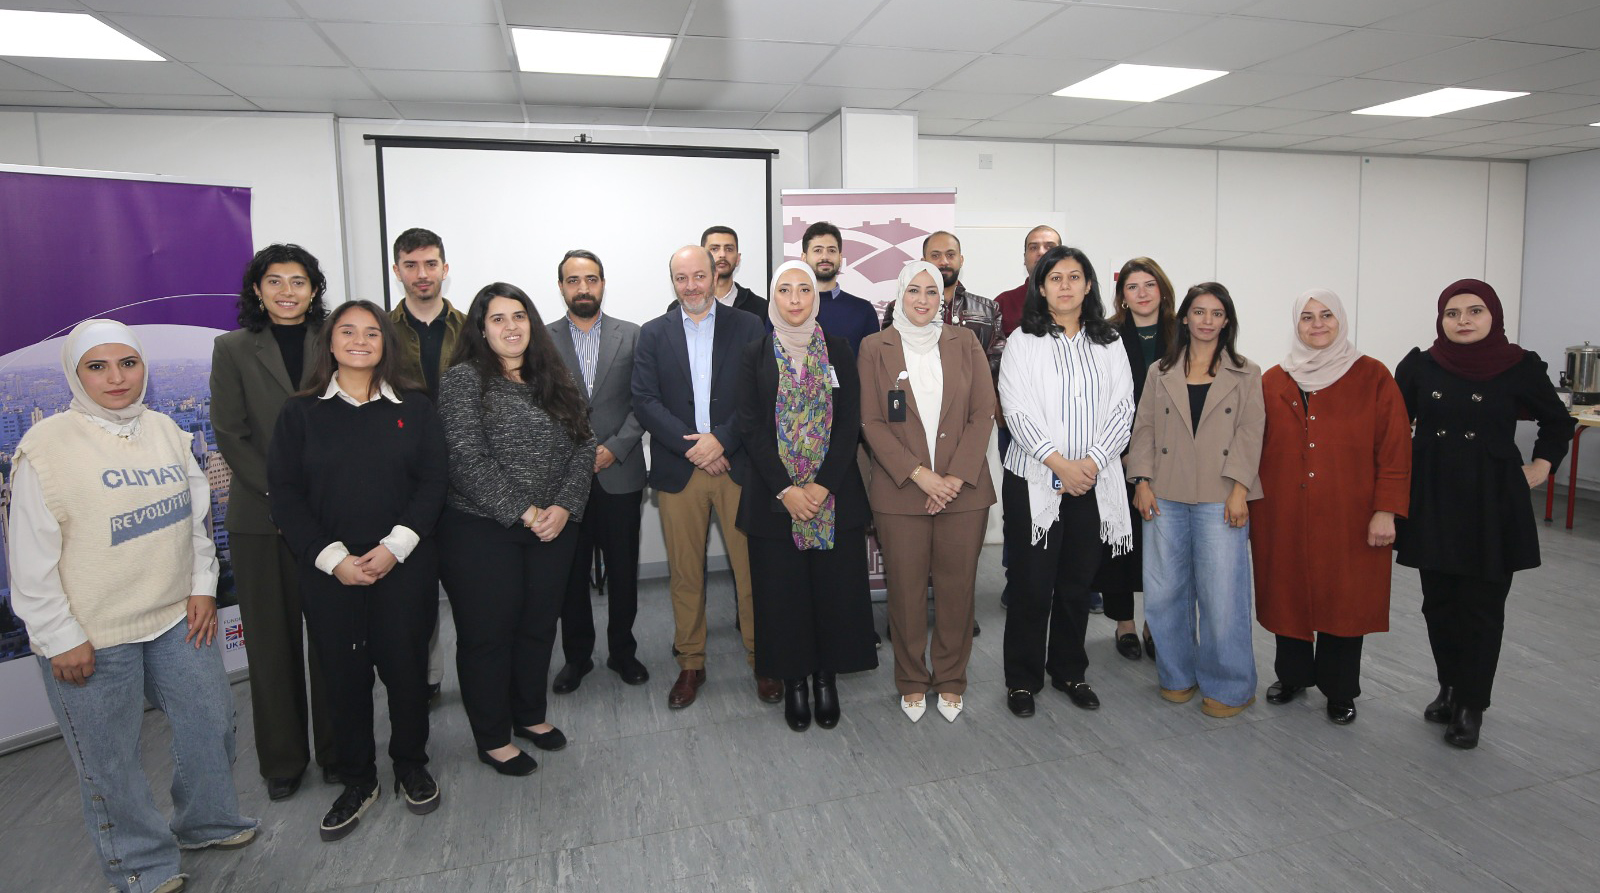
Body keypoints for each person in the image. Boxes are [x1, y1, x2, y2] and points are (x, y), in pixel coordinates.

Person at [9, 320, 257, 893]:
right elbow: (29, 558)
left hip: (175, 616)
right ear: (75, 374)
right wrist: (59, 635)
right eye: (97, 367)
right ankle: (141, 864)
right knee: (110, 761)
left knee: (210, 721)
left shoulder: (165, 429)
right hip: (92, 632)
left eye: (128, 363)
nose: (116, 378)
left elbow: (194, 520)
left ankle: (207, 822)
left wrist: (202, 585)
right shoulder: (45, 447)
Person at [268, 301, 448, 840]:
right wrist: (333, 560)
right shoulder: (300, 413)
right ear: (329, 342)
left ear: (386, 343)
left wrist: (395, 547)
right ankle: (358, 779)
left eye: (372, 332)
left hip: (403, 565)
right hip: (331, 573)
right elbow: (285, 495)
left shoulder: (414, 406)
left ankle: (411, 765)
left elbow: (433, 482)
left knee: (407, 672)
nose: (360, 341)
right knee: (343, 680)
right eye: (347, 331)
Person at [1394, 279, 1575, 749]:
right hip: (1433, 496)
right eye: (1453, 313)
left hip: (1490, 502)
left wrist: (1541, 465)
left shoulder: (1518, 366)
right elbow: (1390, 425)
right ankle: (1449, 687)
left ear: (1493, 315)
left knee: (1481, 607)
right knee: (1438, 603)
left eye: (1475, 311)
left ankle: (1471, 705)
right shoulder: (1420, 365)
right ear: (1441, 319)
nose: (1463, 321)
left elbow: (1558, 420)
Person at [436, 284, 595, 775]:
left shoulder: (555, 376)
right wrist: (527, 512)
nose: (511, 327)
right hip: (481, 530)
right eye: (498, 318)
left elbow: (585, 444)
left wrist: (564, 507)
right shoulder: (464, 380)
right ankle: (492, 736)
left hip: (553, 528)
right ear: (481, 329)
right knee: (488, 635)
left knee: (537, 626)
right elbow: (465, 458)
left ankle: (529, 715)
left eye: (519, 316)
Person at [209, 243, 335, 800]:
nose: (287, 291)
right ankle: (283, 759)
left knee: (333, 641)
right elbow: (230, 434)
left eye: (298, 281)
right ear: (258, 291)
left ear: (314, 289)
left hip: (332, 514)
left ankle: (339, 749)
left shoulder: (337, 339)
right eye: (275, 281)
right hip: (261, 518)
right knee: (270, 645)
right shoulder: (231, 348)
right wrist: (285, 498)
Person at [1252, 289, 1410, 725]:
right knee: (1287, 592)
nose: (1317, 324)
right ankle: (1293, 676)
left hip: (1351, 513)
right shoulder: (1274, 380)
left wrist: (1386, 510)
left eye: (1326, 315)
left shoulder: (1373, 376)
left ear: (1340, 320)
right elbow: (1252, 445)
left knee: (1346, 599)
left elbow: (1395, 448)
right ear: (1296, 325)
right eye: (1307, 317)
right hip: (1282, 511)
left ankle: (1340, 689)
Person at [735, 261, 877, 731]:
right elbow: (751, 428)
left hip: (833, 497)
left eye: (803, 289)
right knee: (784, 597)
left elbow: (849, 422)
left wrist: (820, 486)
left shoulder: (838, 349)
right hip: (774, 502)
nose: (794, 299)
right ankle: (795, 681)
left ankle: (825, 679)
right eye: (785, 290)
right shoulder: (753, 354)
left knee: (833, 594)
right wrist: (787, 490)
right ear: (773, 298)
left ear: (815, 297)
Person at [998, 245, 1134, 719]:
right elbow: (1016, 409)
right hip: (1034, 479)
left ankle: (1069, 671)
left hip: (1094, 480)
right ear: (1041, 287)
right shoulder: (1023, 340)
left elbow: (1123, 408)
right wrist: (1060, 464)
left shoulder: (1109, 342)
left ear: (1089, 285)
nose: (1065, 286)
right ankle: (1022, 679)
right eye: (1055, 278)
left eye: (1074, 277)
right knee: (1032, 585)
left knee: (1076, 585)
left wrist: (1090, 464)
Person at [632, 246, 770, 708]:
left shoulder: (748, 326)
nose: (690, 286)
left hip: (737, 467)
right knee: (685, 574)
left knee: (751, 572)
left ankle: (762, 657)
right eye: (681, 278)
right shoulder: (653, 333)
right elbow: (644, 400)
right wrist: (695, 447)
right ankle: (691, 662)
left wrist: (722, 441)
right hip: (680, 471)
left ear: (715, 275)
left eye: (698, 276)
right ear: (672, 281)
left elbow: (758, 394)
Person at [860, 261, 996, 723]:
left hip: (964, 493)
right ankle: (912, 680)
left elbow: (983, 412)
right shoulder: (874, 347)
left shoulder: (966, 342)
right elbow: (870, 422)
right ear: (900, 294)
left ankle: (952, 679)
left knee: (958, 592)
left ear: (943, 298)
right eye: (914, 290)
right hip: (901, 492)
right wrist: (920, 475)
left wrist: (954, 477)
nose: (923, 299)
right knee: (905, 593)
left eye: (931, 291)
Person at [1127, 282, 1264, 718]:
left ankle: (1230, 686)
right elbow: (1144, 429)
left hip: (1221, 495)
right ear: (1184, 317)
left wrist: (1240, 491)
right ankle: (1176, 675)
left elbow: (1250, 434)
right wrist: (1141, 481)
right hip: (1165, 492)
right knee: (1164, 591)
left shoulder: (1247, 372)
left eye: (1216, 313)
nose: (1207, 320)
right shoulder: (1161, 371)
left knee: (1223, 596)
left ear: (1227, 321)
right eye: (1199, 312)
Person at [546, 250, 649, 692]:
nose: (582, 288)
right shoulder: (541, 339)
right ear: (561, 287)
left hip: (620, 472)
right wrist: (576, 456)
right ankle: (578, 658)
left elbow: (645, 400)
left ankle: (623, 651)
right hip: (563, 479)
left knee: (624, 571)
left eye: (590, 279)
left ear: (603, 283)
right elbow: (538, 406)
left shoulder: (633, 334)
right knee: (570, 575)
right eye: (573, 280)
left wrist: (615, 448)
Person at [386, 226, 463, 705]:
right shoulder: (379, 331)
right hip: (404, 478)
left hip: (465, 476)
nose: (421, 274)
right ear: (397, 271)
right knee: (413, 592)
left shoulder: (471, 327)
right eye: (411, 265)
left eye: (430, 264)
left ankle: (479, 676)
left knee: (469, 584)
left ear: (444, 269)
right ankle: (426, 679)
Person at [1096, 257, 1177, 661]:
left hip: (1173, 455)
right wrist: (1121, 450)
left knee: (1162, 545)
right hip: (1119, 453)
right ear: (1122, 296)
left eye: (1149, 284)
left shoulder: (1182, 332)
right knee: (1120, 541)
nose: (1142, 293)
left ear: (1162, 290)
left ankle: (1153, 623)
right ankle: (1125, 622)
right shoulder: (1105, 335)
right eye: (1133, 287)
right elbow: (1098, 397)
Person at [880, 231, 1005, 378]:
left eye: (950, 255)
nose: (944, 261)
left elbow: (996, 366)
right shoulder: (899, 308)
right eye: (935, 256)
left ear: (961, 260)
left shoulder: (988, 310)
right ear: (923, 262)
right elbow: (889, 360)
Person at [801, 220, 880, 356]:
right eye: (818, 250)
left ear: (840, 258)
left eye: (831, 250)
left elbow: (873, 363)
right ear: (804, 258)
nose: (825, 257)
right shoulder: (789, 308)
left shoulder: (863, 310)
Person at [667, 225, 769, 320]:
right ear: (701, 256)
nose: (722, 254)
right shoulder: (679, 307)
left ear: (738, 259)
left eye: (729, 249)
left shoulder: (760, 307)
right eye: (714, 249)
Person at [994, 225, 1062, 338]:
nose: (1041, 252)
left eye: (1050, 247)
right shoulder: (1003, 303)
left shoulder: (1076, 300)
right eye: (1033, 247)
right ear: (1024, 258)